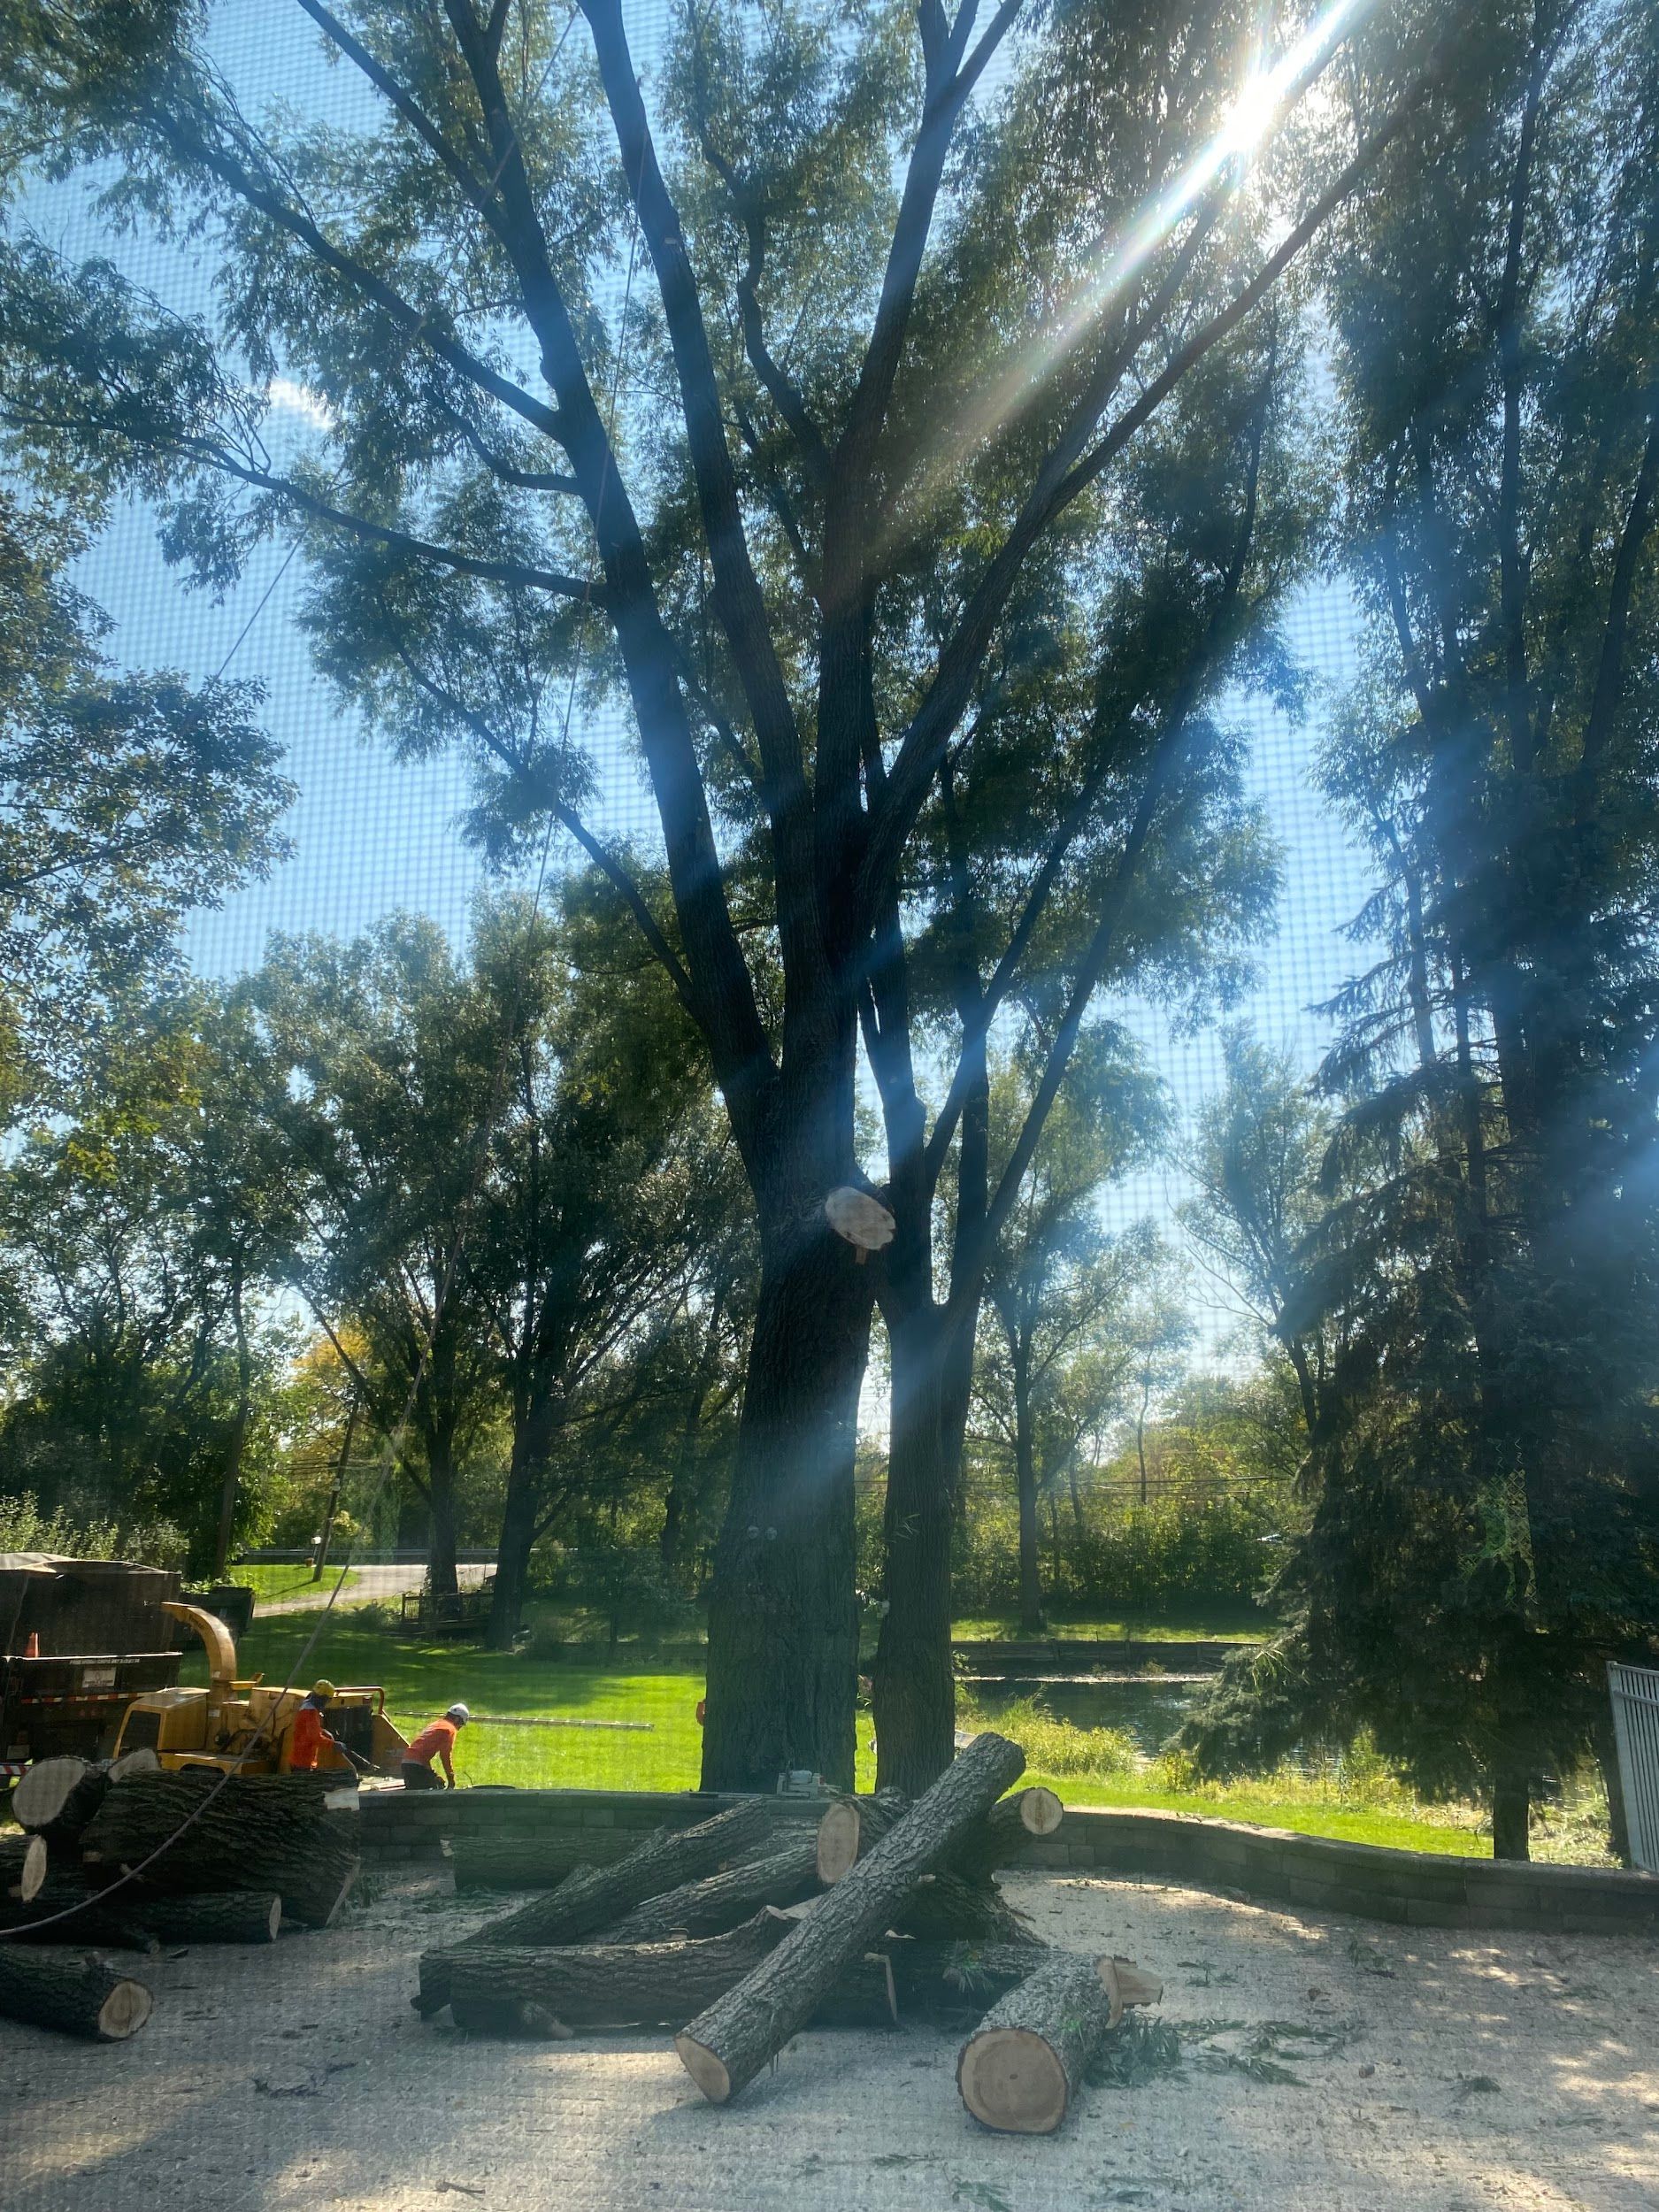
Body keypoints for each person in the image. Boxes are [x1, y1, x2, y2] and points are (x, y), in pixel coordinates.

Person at [400, 1701, 470, 1790]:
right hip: (417, 1766)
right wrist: (451, 1778)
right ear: (457, 1719)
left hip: (406, 1763)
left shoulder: (436, 1724)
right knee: (431, 1794)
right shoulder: (449, 1729)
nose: (459, 1728)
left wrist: (433, 1774)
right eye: (461, 1724)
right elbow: (445, 1756)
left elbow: (422, 1752)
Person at [288, 1681, 337, 1772]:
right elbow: (315, 1738)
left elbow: (307, 1729)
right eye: (328, 1700)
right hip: (303, 1762)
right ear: (324, 1698)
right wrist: (334, 1745)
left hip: (297, 1759)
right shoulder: (310, 1712)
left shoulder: (306, 1706)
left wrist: (322, 1731)